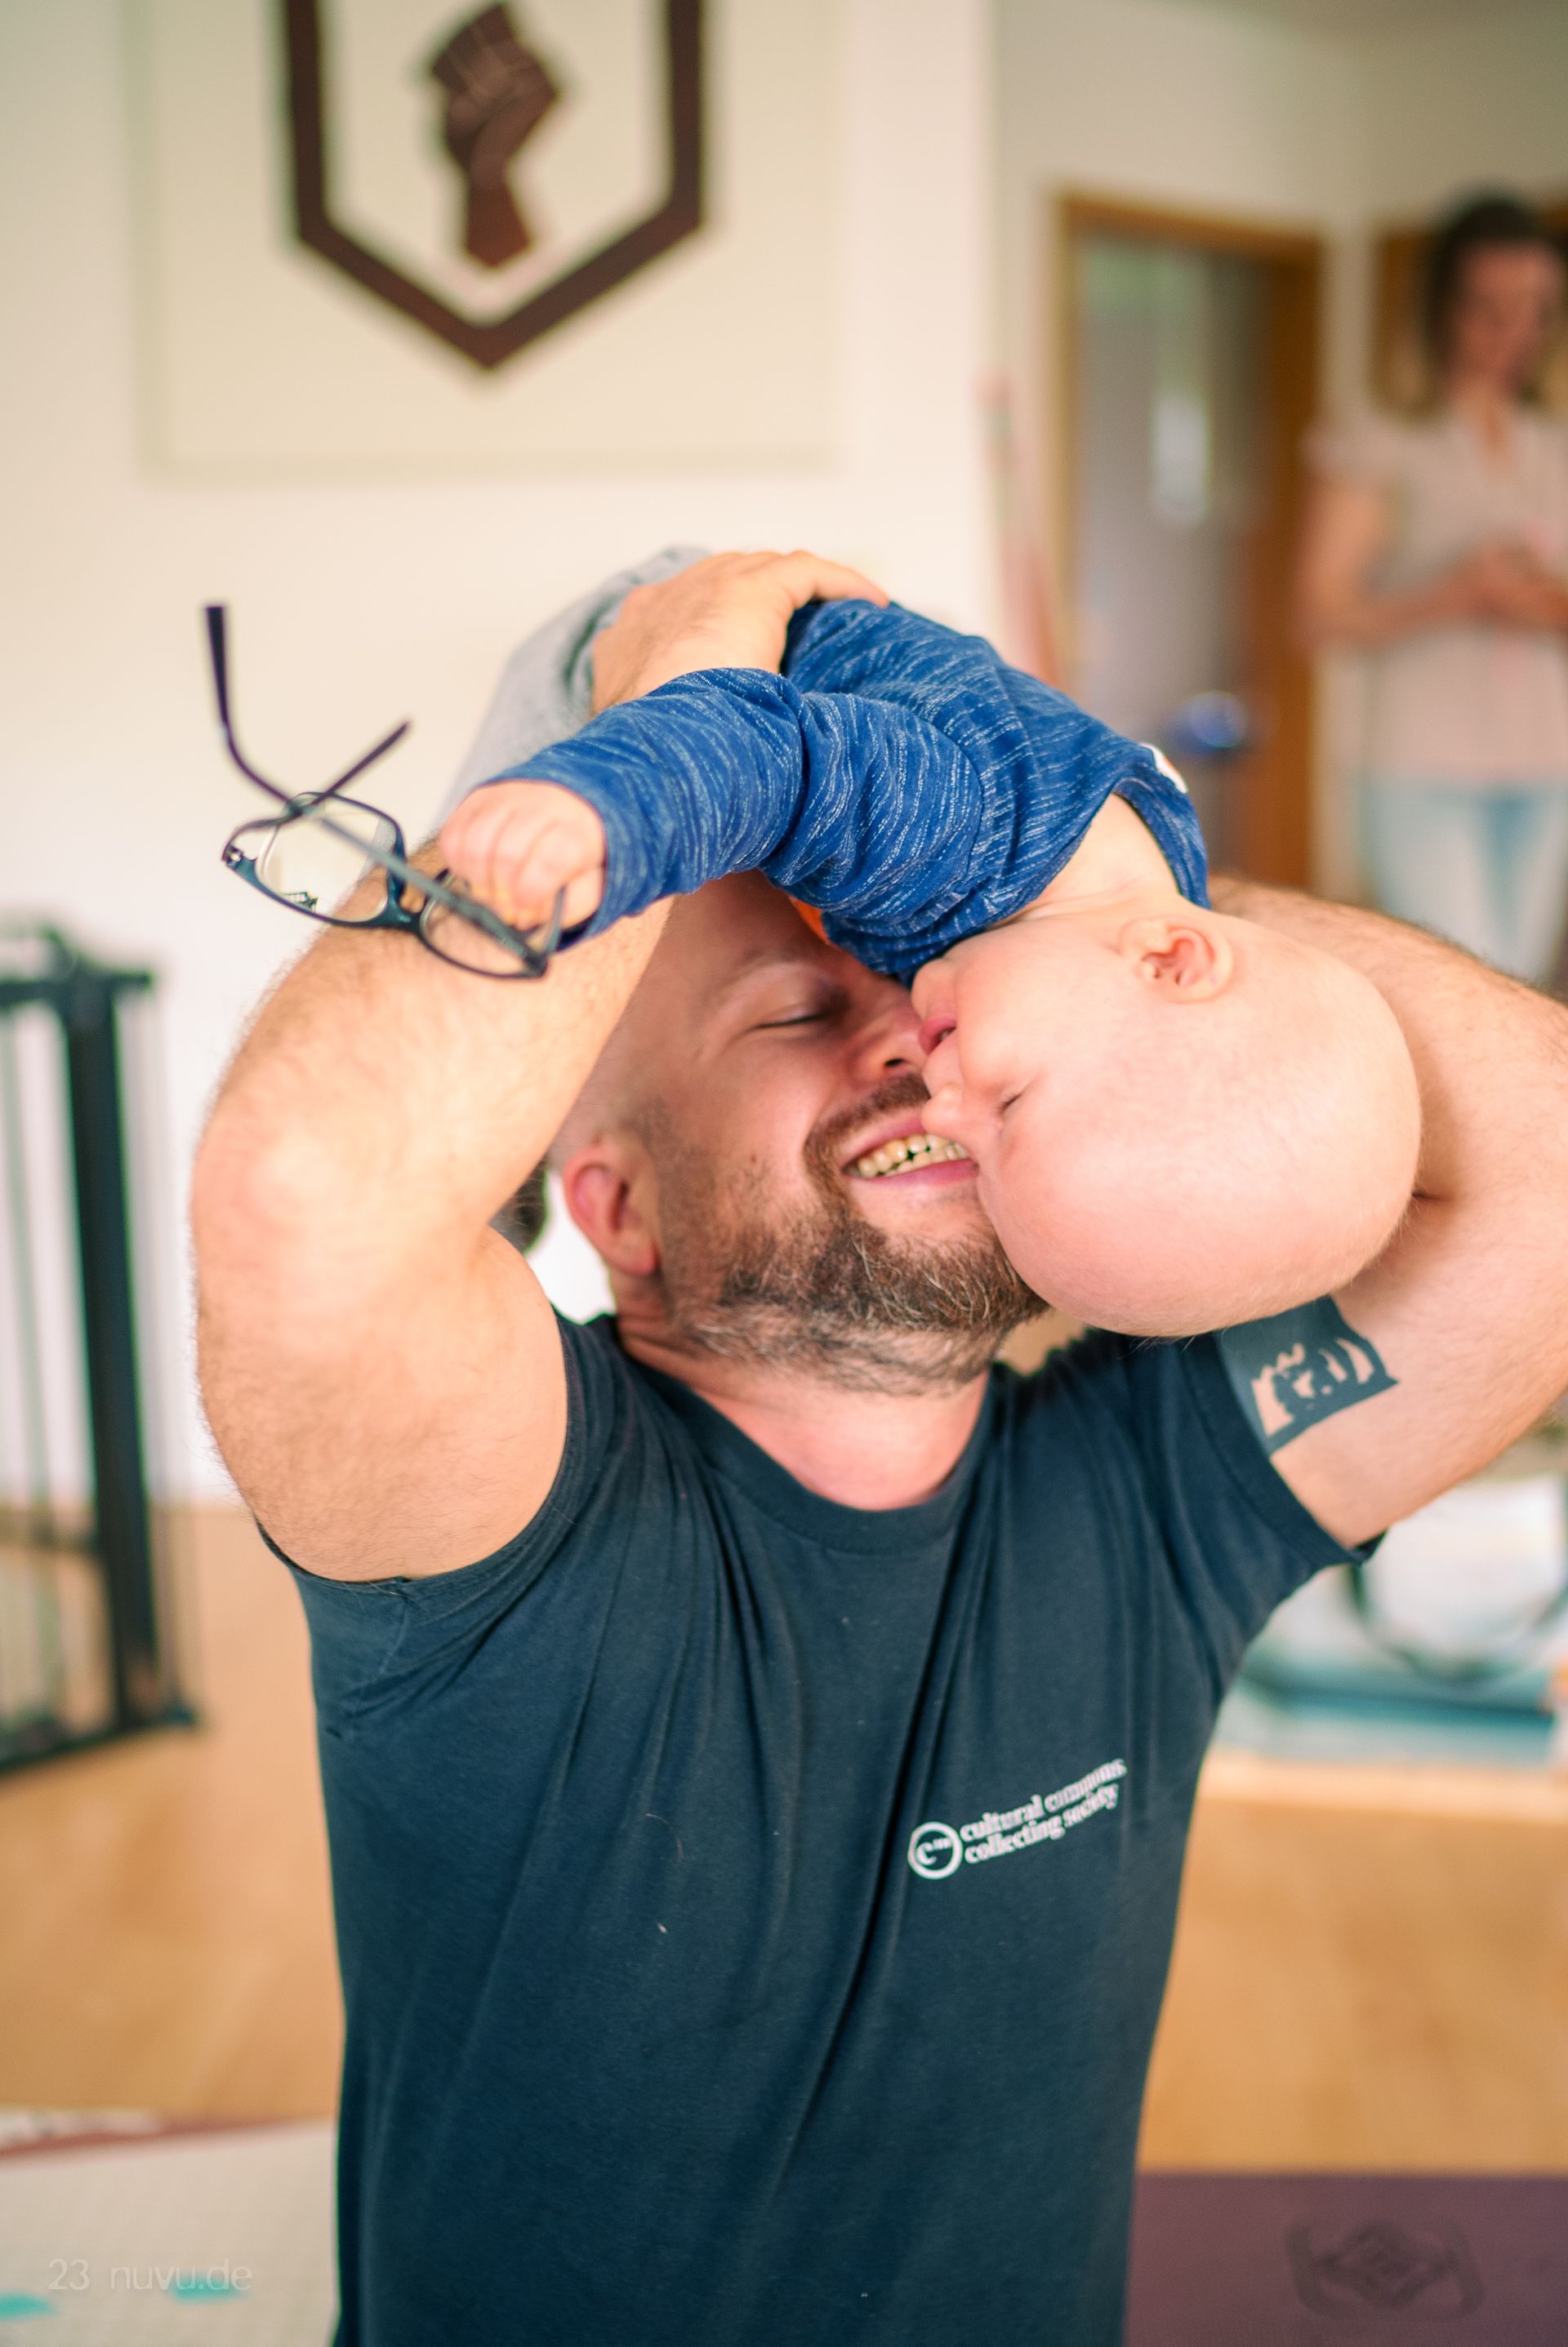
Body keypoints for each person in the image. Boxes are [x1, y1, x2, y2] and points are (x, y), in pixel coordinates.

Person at [193, 551, 1568, 2347]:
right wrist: (668, 722)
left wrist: (1087, 904)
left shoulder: (1148, 1505)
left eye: (904, 963)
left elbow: (1544, 1158)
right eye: (786, 1008)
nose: (910, 1031)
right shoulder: (505, 1527)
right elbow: (309, 1194)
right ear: (618, 1210)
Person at [448, 565, 1419, 1334]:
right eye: (1011, 1106)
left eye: (982, 1165)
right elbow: (755, 755)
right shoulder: (959, 836)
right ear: (1170, 959)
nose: (944, 1105)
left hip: (818, 680)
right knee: (492, 976)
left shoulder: (1124, 928)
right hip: (638, 646)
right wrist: (600, 807)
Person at [1297, 191, 1568, 982]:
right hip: (1424, 766)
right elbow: (1317, 617)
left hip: (1547, 760)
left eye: (1534, 309)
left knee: (1520, 989)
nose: (1511, 333)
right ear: (1441, 309)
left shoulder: (1552, 439)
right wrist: (1454, 594)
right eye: (1488, 308)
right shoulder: (1380, 435)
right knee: (1462, 988)